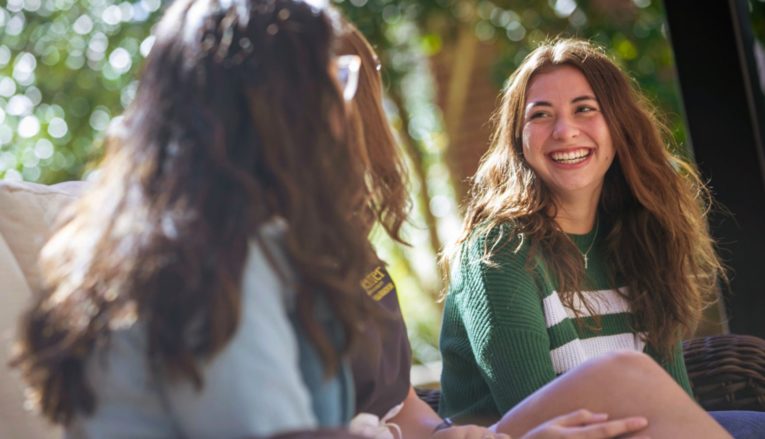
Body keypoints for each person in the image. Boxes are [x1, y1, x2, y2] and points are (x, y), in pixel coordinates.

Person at [8, 1, 648, 438]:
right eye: (333, 79)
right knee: (625, 381)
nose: (349, 109)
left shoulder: (228, 243)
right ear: (254, 105)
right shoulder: (209, 258)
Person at [438, 38, 741, 437]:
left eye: (585, 109)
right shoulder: (498, 250)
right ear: (518, 140)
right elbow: (541, 420)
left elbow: (674, 400)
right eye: (541, 115)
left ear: (618, 125)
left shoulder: (639, 240)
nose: (565, 131)